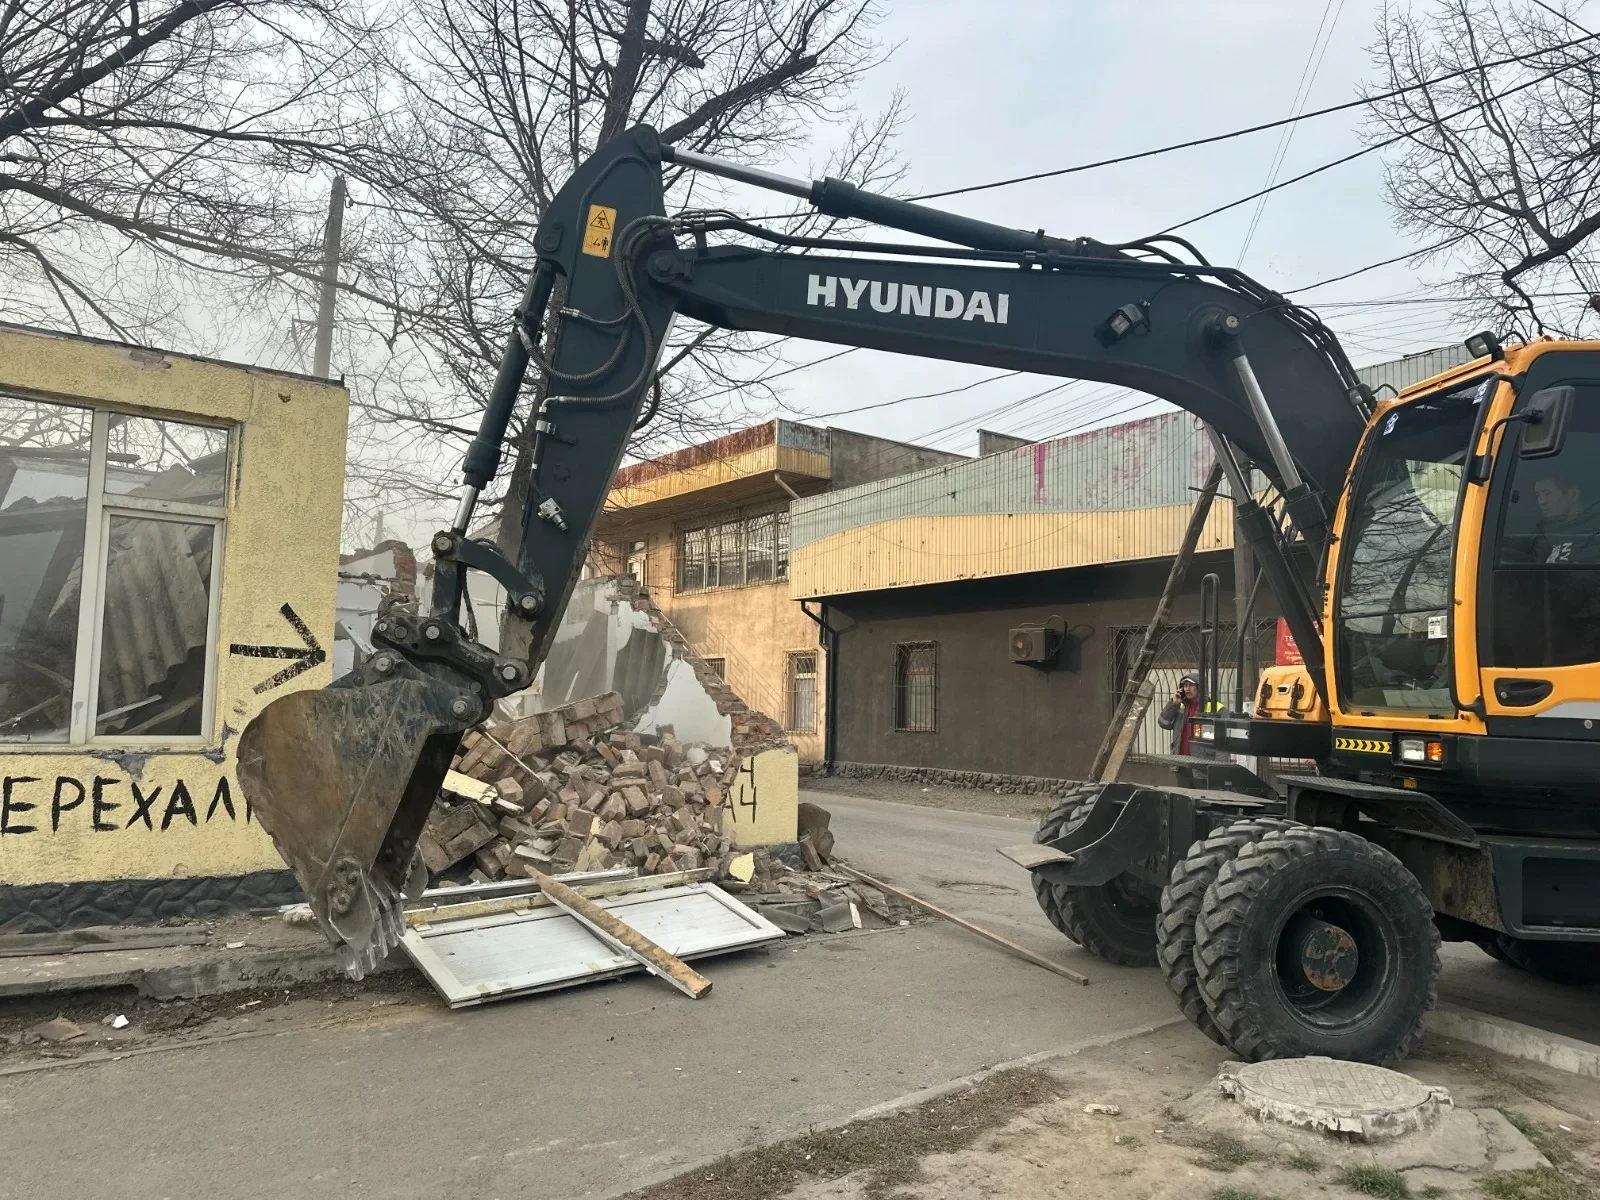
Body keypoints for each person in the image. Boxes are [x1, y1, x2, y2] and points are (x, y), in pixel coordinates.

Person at [1532, 468, 1600, 565]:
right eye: (1538, 495)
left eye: (1547, 493)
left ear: (1573, 494)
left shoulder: (1595, 529)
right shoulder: (1543, 533)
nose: (1541, 501)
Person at [1157, 672, 1223, 758]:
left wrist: (1218, 765)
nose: (1187, 689)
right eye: (1185, 685)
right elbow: (1164, 723)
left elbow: (1222, 743)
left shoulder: (1216, 708)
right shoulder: (1180, 706)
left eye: (1191, 685)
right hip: (1180, 759)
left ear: (1200, 687)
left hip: (1203, 761)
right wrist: (1173, 704)